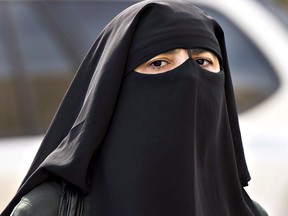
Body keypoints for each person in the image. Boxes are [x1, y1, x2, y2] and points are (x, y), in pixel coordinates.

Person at [1, 0, 268, 215]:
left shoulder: (248, 211)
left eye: (202, 62)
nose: (189, 79)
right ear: (116, 86)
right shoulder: (48, 211)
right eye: (159, 63)